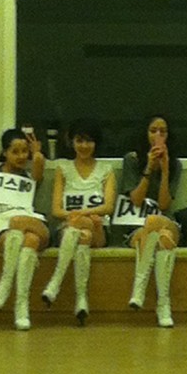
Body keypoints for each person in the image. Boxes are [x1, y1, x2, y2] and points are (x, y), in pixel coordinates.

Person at [41, 119, 117, 325]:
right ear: (71, 142)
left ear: (96, 143)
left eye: (89, 141)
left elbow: (108, 207)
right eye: (80, 140)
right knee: (83, 236)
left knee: (85, 228)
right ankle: (81, 299)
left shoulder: (106, 169)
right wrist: (78, 218)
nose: (84, 146)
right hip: (69, 228)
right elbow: (56, 210)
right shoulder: (63, 168)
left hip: (99, 229)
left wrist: (82, 214)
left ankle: (55, 283)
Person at [0, 128, 48, 330]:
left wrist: (36, 152)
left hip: (27, 220)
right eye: (15, 152)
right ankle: (20, 305)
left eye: (24, 151)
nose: (21, 156)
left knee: (21, 225)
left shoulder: (29, 175)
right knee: (27, 238)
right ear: (4, 152)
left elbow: (38, 168)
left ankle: (8, 289)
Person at [117, 115, 182, 327]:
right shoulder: (132, 159)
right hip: (136, 223)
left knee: (155, 221)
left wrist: (165, 170)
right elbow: (136, 200)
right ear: (145, 133)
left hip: (164, 219)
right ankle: (163, 305)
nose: (158, 135)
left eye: (163, 131)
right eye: (153, 131)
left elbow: (164, 204)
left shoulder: (175, 164)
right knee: (163, 238)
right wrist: (149, 168)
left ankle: (139, 289)